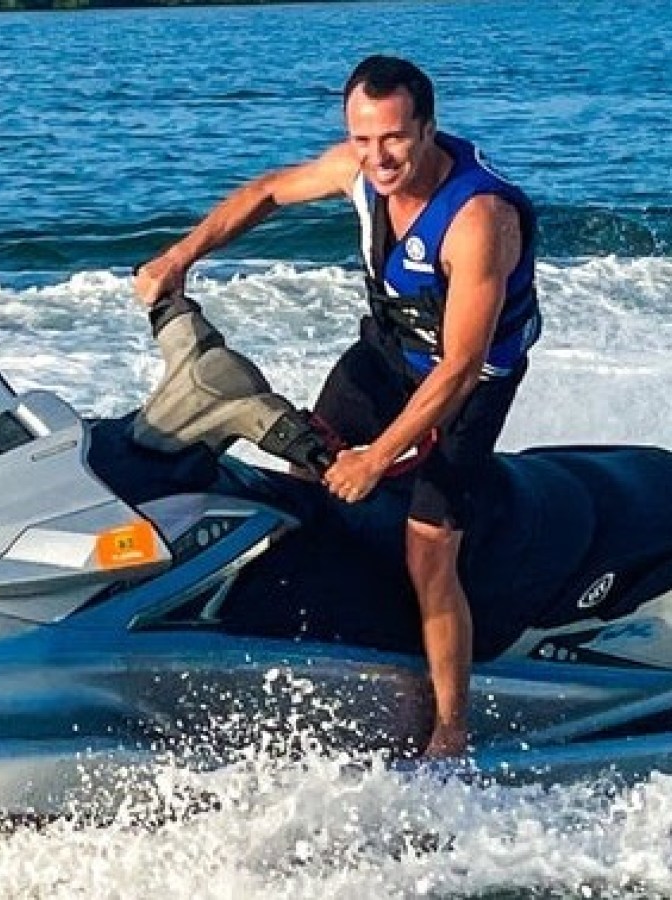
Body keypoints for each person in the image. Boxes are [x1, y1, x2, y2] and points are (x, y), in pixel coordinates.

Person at [134, 54, 541, 758]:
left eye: (393, 138)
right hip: (385, 355)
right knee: (303, 486)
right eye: (362, 139)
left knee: (428, 550)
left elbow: (462, 367)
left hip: (467, 384)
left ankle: (451, 727)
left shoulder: (479, 220)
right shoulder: (359, 171)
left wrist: (378, 459)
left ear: (429, 128)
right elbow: (266, 192)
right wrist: (179, 258)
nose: (377, 157)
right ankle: (320, 631)